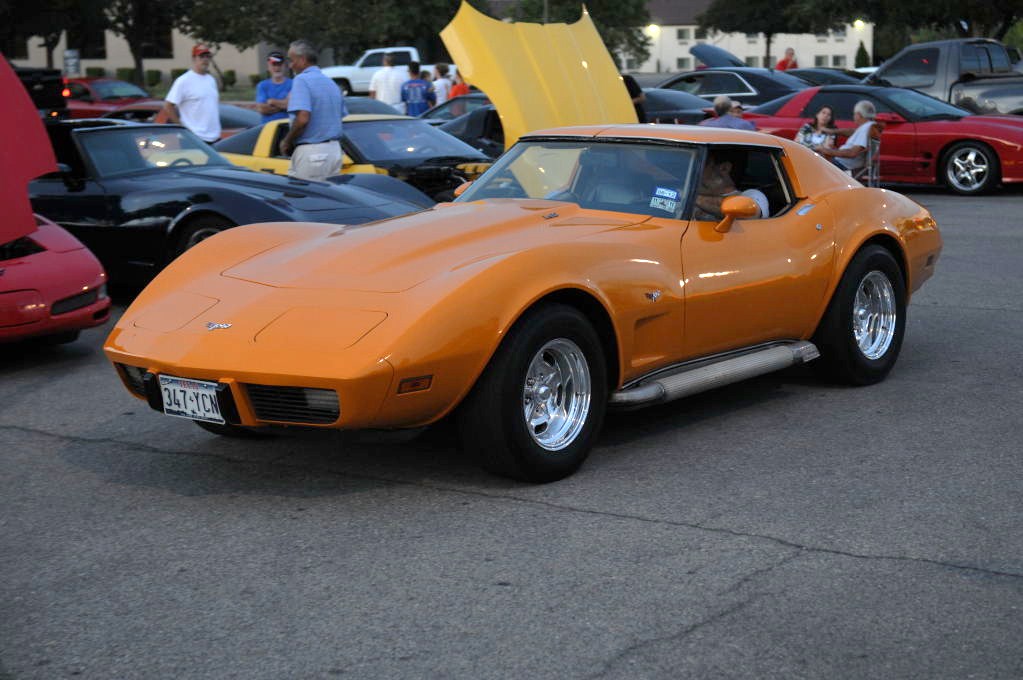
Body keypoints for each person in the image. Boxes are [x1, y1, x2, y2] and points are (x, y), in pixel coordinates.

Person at [279, 40, 344, 182]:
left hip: (313, 153)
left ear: (302, 60)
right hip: (334, 151)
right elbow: (340, 116)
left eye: (291, 60)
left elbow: (302, 119)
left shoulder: (301, 80)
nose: (290, 65)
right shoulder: (330, 83)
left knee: (302, 195)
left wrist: (287, 141)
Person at [163, 44, 220, 143]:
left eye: (208, 56)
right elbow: (168, 106)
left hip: (215, 137)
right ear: (194, 59)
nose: (205, 59)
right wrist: (183, 129)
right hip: (195, 138)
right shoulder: (183, 81)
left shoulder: (211, 79)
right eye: (201, 56)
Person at [693, 149, 769, 220]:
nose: (694, 169)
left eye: (703, 164)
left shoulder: (753, 195)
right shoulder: (689, 196)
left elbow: (751, 213)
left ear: (724, 168)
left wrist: (691, 198)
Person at [818, 100, 877, 173]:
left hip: (843, 166)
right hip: (841, 163)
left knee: (813, 163)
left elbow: (852, 153)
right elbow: (852, 132)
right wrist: (832, 131)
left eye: (854, 114)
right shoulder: (867, 126)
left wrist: (826, 150)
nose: (853, 116)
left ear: (859, 115)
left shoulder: (865, 129)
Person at [254, 51, 292, 123]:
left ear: (285, 66)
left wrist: (272, 101)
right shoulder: (262, 85)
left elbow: (291, 106)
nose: (277, 68)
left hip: (287, 125)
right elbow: (262, 109)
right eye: (274, 65)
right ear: (268, 67)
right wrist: (283, 105)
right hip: (267, 127)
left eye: (279, 64)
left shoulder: (293, 84)